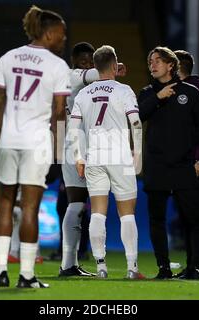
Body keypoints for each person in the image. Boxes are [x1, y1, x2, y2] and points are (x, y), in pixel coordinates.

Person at [0, 5, 70, 289]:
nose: (64, 39)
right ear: (48, 34)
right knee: (31, 208)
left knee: (6, 204)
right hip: (37, 143)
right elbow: (60, 112)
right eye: (61, 34)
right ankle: (26, 276)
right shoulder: (58, 66)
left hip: (8, 139)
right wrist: (59, 148)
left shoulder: (7, 58)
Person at [138, 46, 199, 281]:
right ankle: (164, 269)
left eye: (158, 60)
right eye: (150, 61)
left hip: (183, 165)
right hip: (156, 165)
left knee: (195, 218)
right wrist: (158, 98)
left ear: (171, 65)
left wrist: (188, 148)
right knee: (157, 219)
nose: (152, 65)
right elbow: (137, 117)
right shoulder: (147, 93)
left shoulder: (191, 92)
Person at [68, 45, 144, 279]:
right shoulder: (124, 90)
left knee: (98, 212)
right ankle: (132, 268)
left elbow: (72, 129)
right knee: (127, 212)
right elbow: (137, 123)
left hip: (94, 157)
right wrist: (138, 154)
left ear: (94, 66)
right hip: (119, 157)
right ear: (114, 65)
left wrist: (78, 157)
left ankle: (101, 266)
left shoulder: (83, 93)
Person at [59, 42, 126, 277]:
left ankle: (70, 263)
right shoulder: (73, 76)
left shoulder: (93, 89)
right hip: (77, 147)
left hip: (81, 145)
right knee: (77, 203)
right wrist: (114, 67)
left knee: (79, 205)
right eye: (84, 61)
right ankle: (69, 263)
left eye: (91, 61)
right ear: (76, 61)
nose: (88, 65)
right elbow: (95, 73)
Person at [171, 49, 199, 279]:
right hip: (183, 162)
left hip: (194, 163)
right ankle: (194, 266)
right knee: (187, 215)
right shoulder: (182, 90)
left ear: (178, 68)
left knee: (194, 216)